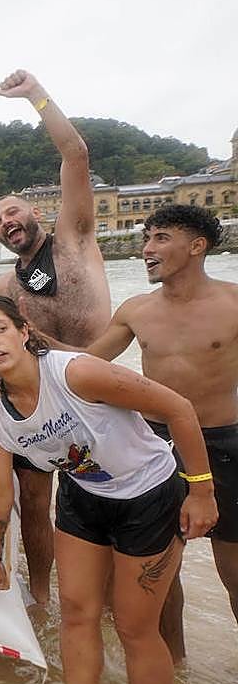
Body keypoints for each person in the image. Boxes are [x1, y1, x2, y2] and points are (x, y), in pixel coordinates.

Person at [0, 295, 215, 684]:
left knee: (134, 628)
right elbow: (0, 492)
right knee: (77, 613)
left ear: (24, 331)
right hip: (84, 497)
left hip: (148, 495)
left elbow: (178, 408)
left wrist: (201, 491)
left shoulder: (76, 373)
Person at [0, 69, 113, 606]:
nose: (6, 221)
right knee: (37, 506)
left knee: (112, 498)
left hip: (104, 387)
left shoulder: (75, 236)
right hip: (46, 403)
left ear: (34, 210)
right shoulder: (10, 285)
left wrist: (36, 96)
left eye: (11, 210)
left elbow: (75, 154)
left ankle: (109, 601)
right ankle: (40, 599)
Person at [80, 205, 238, 659]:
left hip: (223, 445)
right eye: (147, 238)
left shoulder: (232, 303)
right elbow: (86, 366)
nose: (147, 249)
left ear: (196, 246)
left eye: (160, 238)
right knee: (160, 573)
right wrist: (27, 346)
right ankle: (177, 668)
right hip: (155, 447)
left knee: (235, 572)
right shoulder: (136, 310)